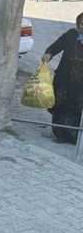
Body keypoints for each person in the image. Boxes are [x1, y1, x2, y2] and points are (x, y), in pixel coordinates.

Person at [42, 12, 83, 144]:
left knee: (77, 109)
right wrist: (49, 54)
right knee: (61, 106)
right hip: (64, 80)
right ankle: (61, 134)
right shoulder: (71, 35)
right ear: (77, 24)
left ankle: (75, 137)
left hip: (80, 84)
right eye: (81, 24)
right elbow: (56, 46)